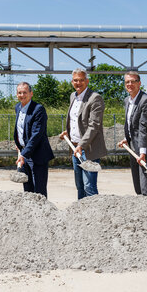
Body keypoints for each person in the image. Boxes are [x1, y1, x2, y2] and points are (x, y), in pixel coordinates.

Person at [59, 68, 107, 199]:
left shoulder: (95, 98)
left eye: (81, 80)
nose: (78, 83)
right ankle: (80, 214)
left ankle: (94, 213)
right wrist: (68, 132)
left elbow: (94, 125)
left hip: (88, 149)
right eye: (75, 80)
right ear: (72, 82)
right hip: (75, 148)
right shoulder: (72, 96)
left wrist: (81, 144)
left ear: (87, 81)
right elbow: (76, 120)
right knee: (79, 185)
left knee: (89, 186)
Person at [14, 82, 54, 198]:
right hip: (25, 154)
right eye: (19, 93)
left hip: (38, 155)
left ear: (31, 94)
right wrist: (19, 144)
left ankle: (43, 215)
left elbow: (36, 135)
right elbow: (21, 129)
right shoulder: (18, 107)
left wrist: (24, 154)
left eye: (25, 92)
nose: (22, 95)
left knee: (39, 191)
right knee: (27, 190)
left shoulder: (38, 109)